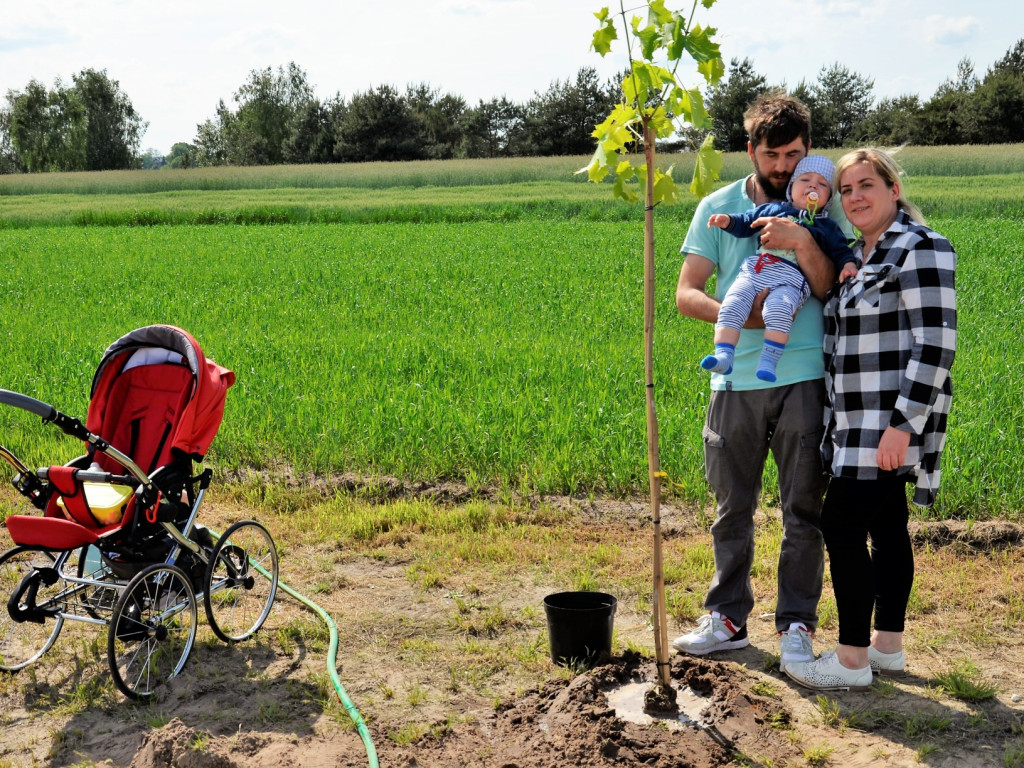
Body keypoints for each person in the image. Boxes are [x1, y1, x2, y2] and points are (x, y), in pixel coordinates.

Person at [673, 94, 850, 673]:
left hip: (804, 376)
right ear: (750, 151)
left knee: (804, 509)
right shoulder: (717, 207)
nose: (783, 167)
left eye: (794, 155)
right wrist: (737, 312)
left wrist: (802, 242)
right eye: (772, 155)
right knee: (732, 509)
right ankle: (726, 618)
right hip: (734, 382)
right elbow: (686, 292)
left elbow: (829, 289)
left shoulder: (821, 205)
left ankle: (796, 625)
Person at [784, 149, 957, 691]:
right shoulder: (859, 254)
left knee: (840, 525)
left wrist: (904, 424)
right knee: (886, 526)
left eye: (867, 185)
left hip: (888, 425)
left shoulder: (920, 248)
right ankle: (887, 647)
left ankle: (852, 659)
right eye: (847, 188)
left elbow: (936, 344)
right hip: (854, 424)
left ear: (893, 189)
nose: (855, 196)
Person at [701, 154, 859, 382]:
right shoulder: (773, 210)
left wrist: (848, 264)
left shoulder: (827, 226)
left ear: (828, 199)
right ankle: (724, 354)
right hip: (756, 271)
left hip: (790, 282)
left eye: (822, 184)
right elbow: (746, 221)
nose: (813, 185)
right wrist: (727, 221)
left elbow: (841, 251)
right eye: (805, 180)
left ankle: (769, 360)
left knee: (780, 312)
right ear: (792, 187)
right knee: (732, 303)